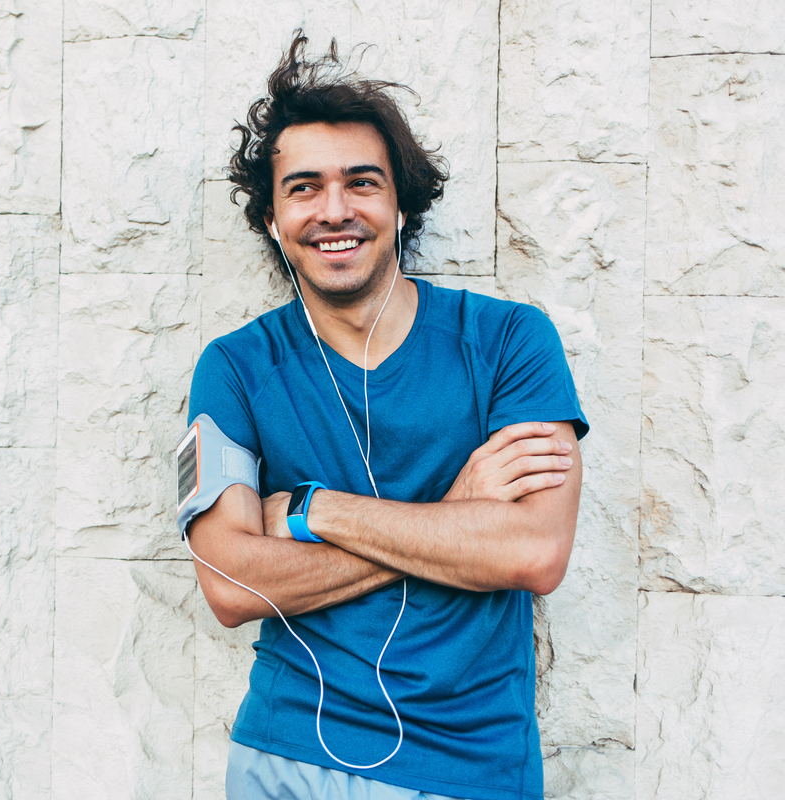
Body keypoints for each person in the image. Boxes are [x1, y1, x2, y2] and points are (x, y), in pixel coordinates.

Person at [181, 33, 588, 800]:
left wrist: (309, 510)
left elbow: (533, 552)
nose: (334, 210)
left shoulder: (508, 341)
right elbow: (232, 584)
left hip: (471, 768)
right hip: (286, 758)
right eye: (302, 188)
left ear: (400, 203)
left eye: (361, 182)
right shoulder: (234, 368)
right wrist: (455, 518)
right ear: (272, 219)